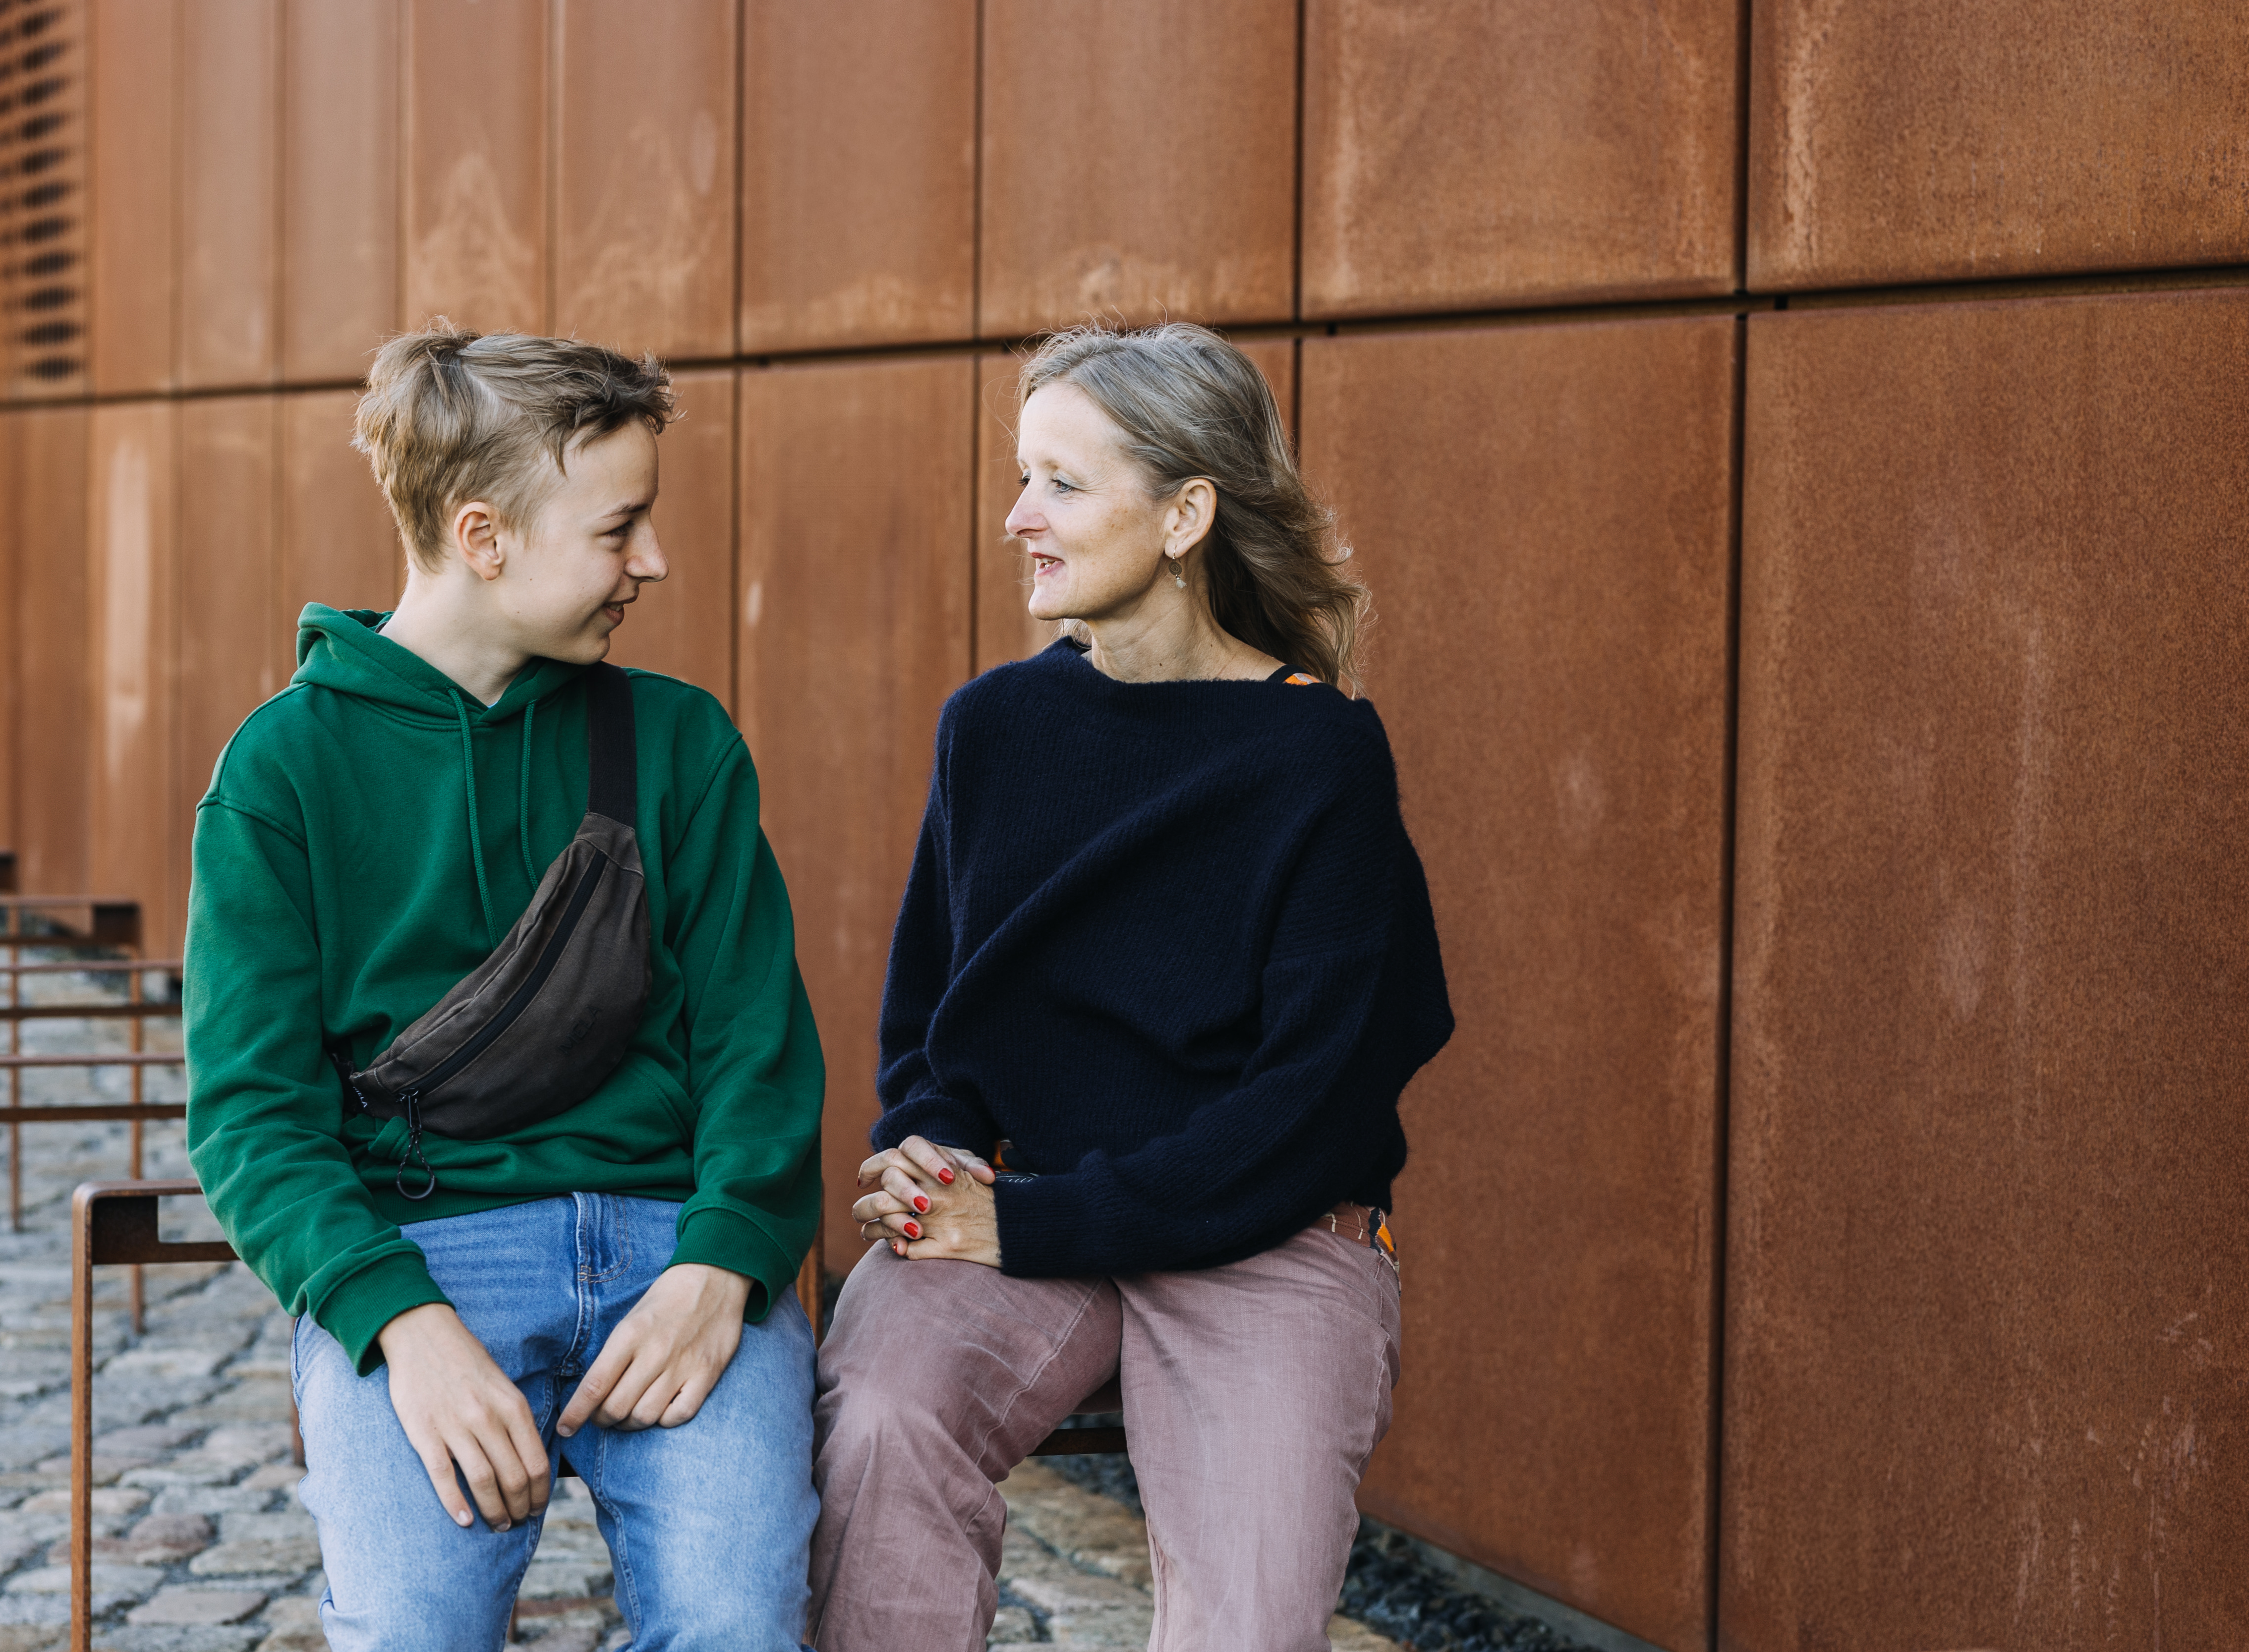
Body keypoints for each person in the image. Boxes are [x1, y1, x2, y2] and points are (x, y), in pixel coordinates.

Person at [808, 323, 1455, 1652]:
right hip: (1022, 1210)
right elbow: (935, 1022)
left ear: (1184, 517)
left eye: (1061, 482)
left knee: (1249, 1614)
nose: (1018, 516)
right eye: (1022, 476)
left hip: (1270, 1233)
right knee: (876, 1425)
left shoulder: (1317, 756)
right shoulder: (995, 728)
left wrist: (1029, 1222)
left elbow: (1313, 1102)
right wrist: (929, 1142)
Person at [184, 325, 823, 1652]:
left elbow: (757, 1052)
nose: (653, 561)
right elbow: (251, 1117)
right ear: (484, 537)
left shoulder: (681, 742)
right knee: (411, 1634)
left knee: (736, 1629)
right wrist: (399, 1325)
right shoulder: (281, 770)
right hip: (419, 1256)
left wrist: (723, 1267)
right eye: (619, 528)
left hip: (676, 1248)